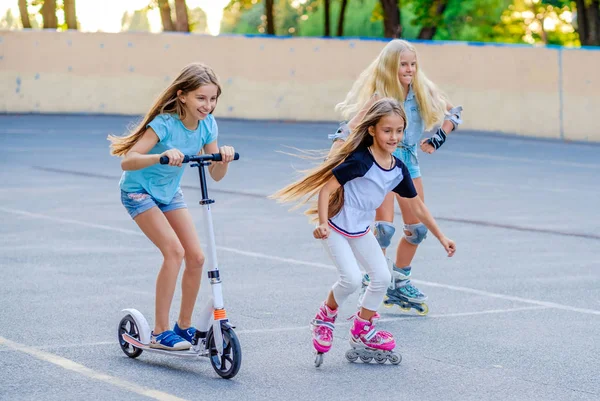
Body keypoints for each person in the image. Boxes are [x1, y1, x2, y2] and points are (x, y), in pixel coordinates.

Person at [272, 98, 455, 362]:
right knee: (352, 279)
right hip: (334, 226)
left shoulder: (398, 170)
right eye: (387, 130)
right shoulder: (360, 160)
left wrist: (441, 237)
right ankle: (325, 316)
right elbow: (327, 189)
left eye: (399, 131)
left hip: (359, 231)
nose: (394, 137)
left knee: (381, 277)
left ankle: (362, 328)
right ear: (372, 130)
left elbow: (417, 207)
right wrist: (322, 222)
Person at [108, 62, 236, 351]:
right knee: (174, 252)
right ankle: (159, 331)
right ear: (182, 96)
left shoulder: (208, 125)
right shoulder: (164, 124)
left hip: (168, 193)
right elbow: (128, 160)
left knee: (197, 257)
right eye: (201, 98)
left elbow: (215, 174)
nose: (208, 105)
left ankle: (183, 327)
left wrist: (222, 160)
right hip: (138, 191)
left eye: (213, 99)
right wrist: (160, 156)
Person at [329, 39, 463, 313]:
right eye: (403, 64)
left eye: (413, 64)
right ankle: (373, 280)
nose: (409, 69)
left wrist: (438, 137)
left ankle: (400, 280)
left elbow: (454, 113)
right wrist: (334, 152)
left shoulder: (422, 91)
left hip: (410, 160)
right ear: (392, 66)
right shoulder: (381, 98)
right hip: (382, 161)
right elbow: (351, 126)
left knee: (417, 229)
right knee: (384, 230)